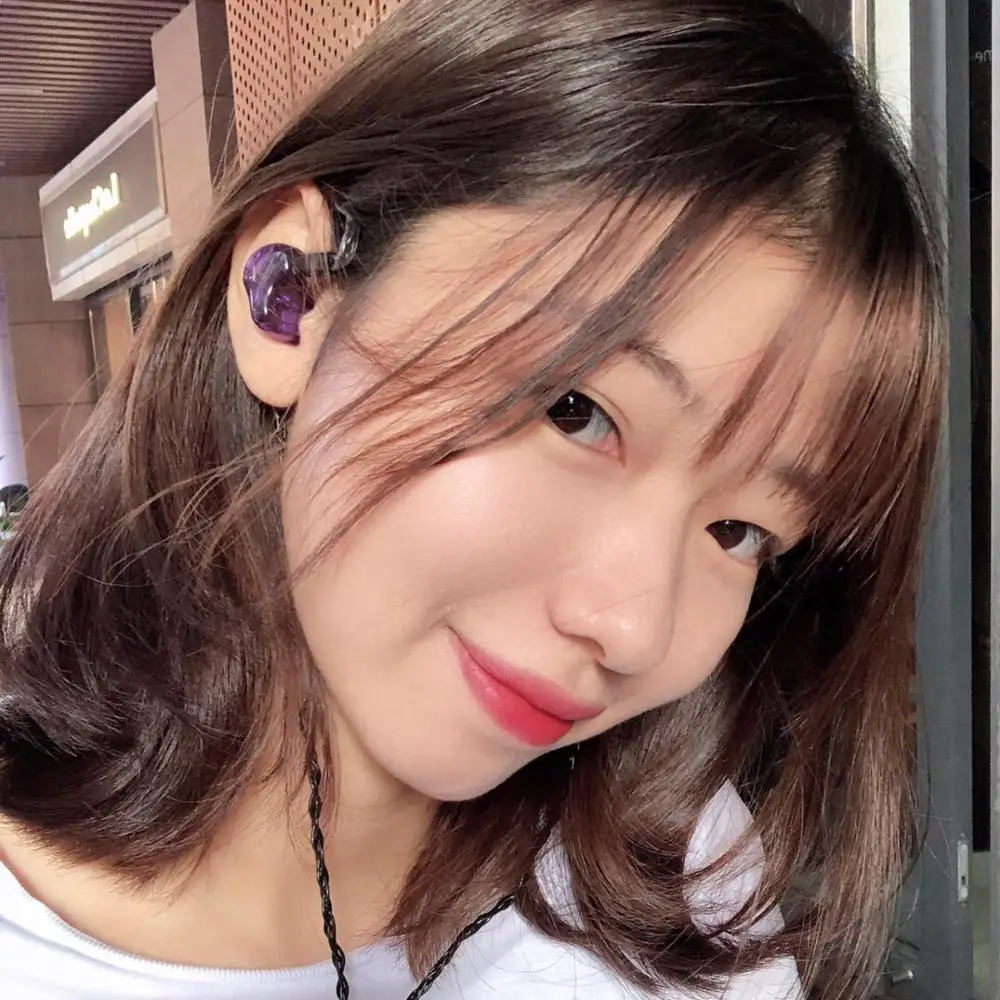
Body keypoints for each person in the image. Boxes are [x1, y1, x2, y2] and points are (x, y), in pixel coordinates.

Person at [0, 0, 944, 998]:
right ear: (291, 297)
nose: (632, 628)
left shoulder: (680, 877)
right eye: (577, 412)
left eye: (740, 531)